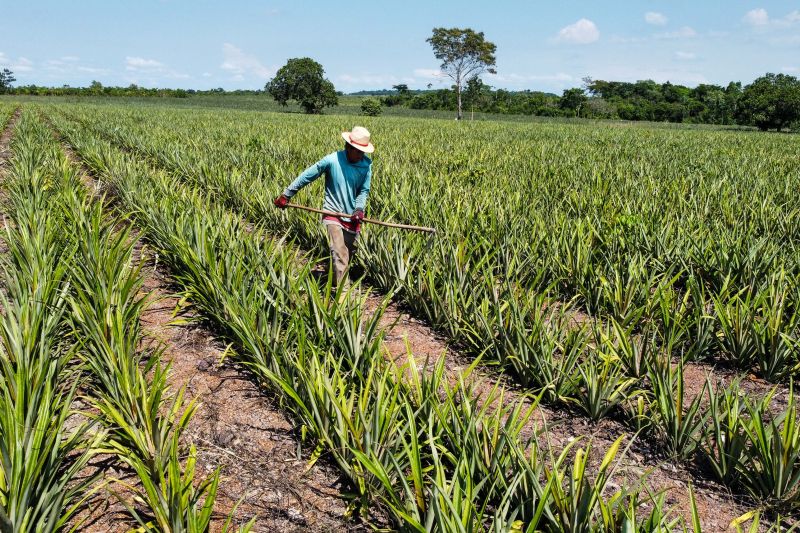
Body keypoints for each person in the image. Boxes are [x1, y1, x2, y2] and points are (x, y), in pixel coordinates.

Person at [274, 126, 373, 287]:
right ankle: (343, 295)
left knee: (347, 254)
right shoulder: (332, 160)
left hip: (352, 217)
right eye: (357, 151)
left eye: (363, 152)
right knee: (339, 252)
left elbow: (363, 191)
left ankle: (333, 280)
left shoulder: (366, 165)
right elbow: (307, 175)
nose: (360, 155)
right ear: (348, 147)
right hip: (332, 212)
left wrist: (359, 209)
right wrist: (287, 194)